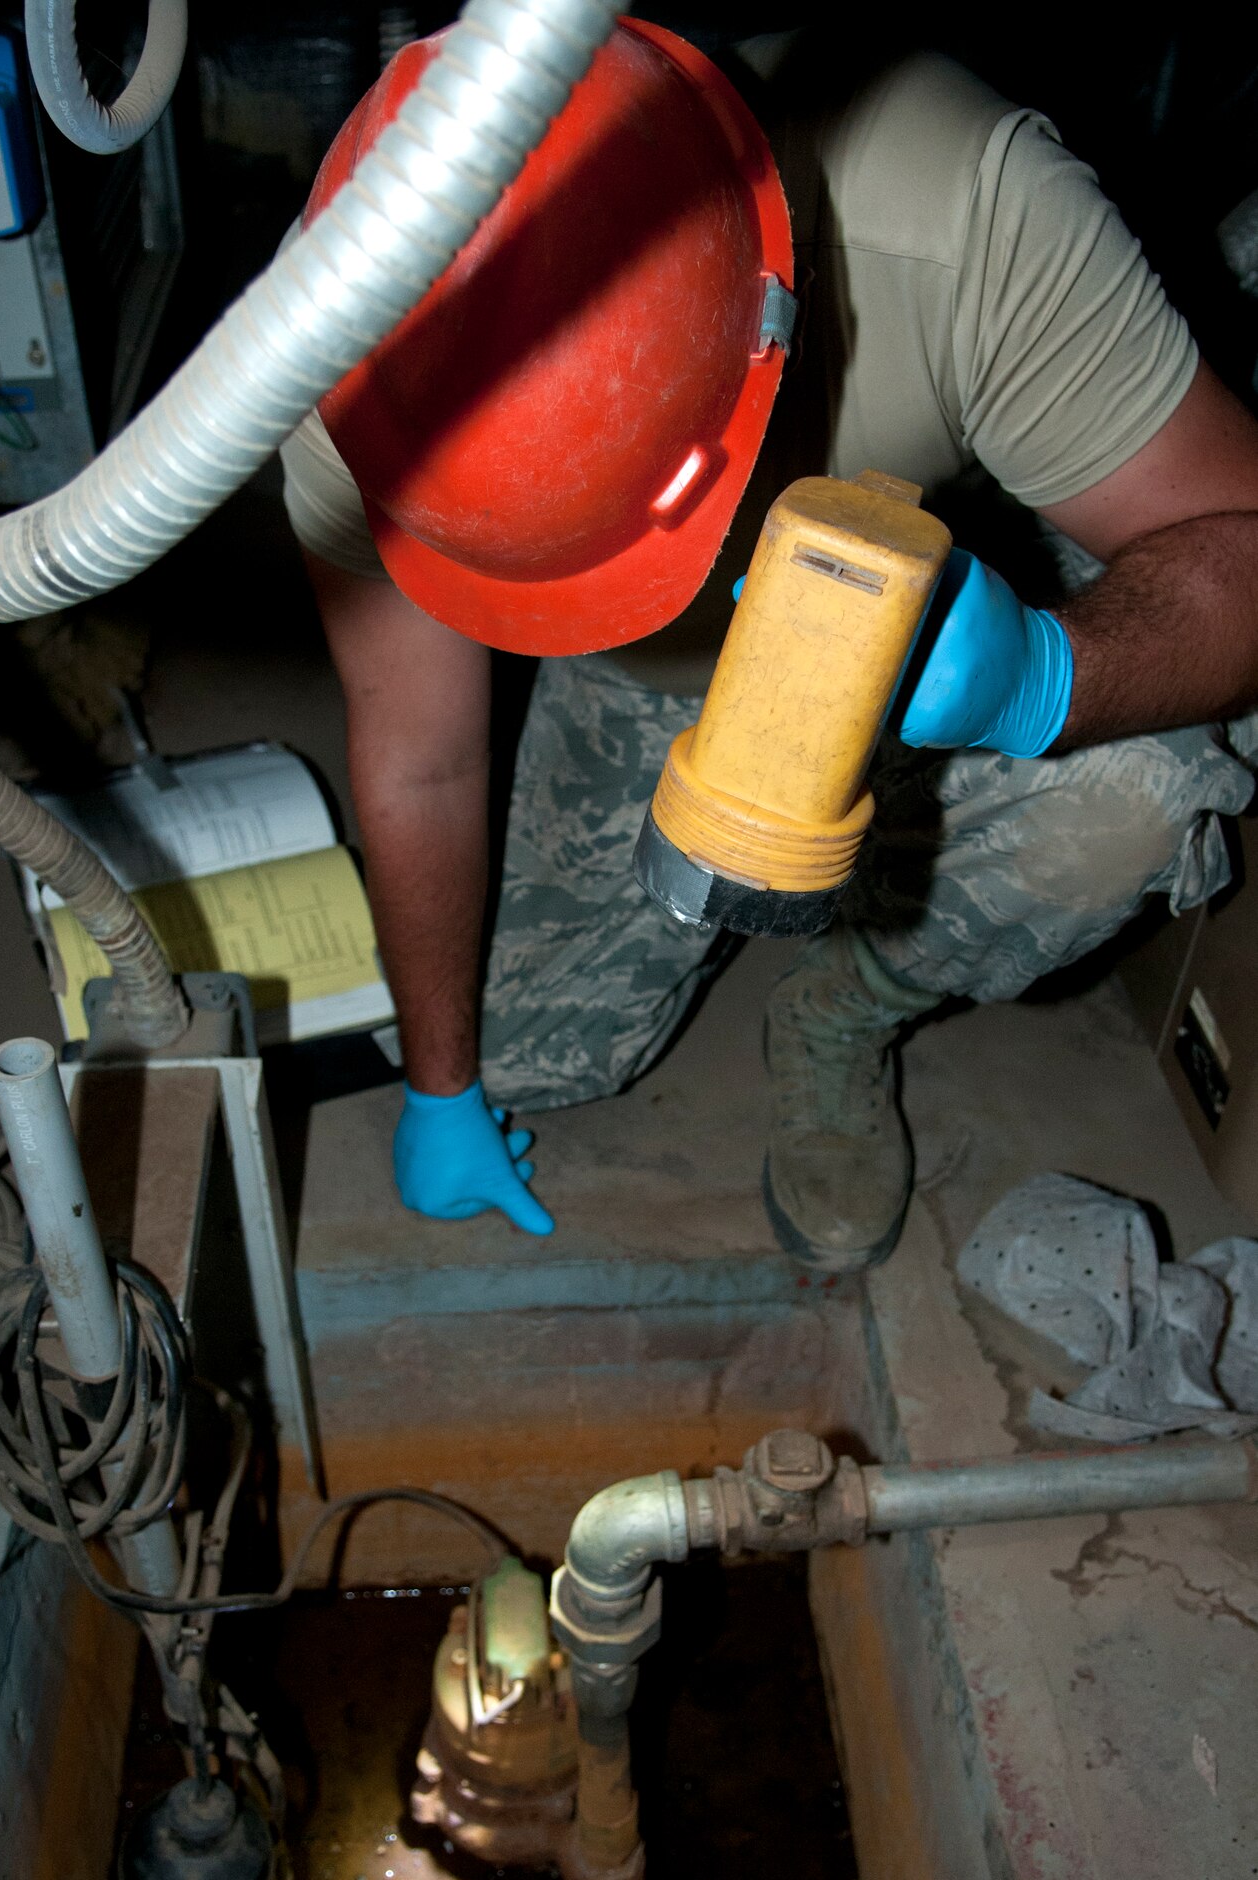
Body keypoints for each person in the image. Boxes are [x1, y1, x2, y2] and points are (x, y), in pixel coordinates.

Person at [281, 25, 1258, 1270]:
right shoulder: (337, 368)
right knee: (526, 1048)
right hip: (633, 679)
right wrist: (439, 1083)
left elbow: (1244, 540)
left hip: (902, 624)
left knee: (1129, 804)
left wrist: (1046, 673)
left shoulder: (962, 210)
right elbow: (421, 757)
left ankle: (845, 1010)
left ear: (769, 330)